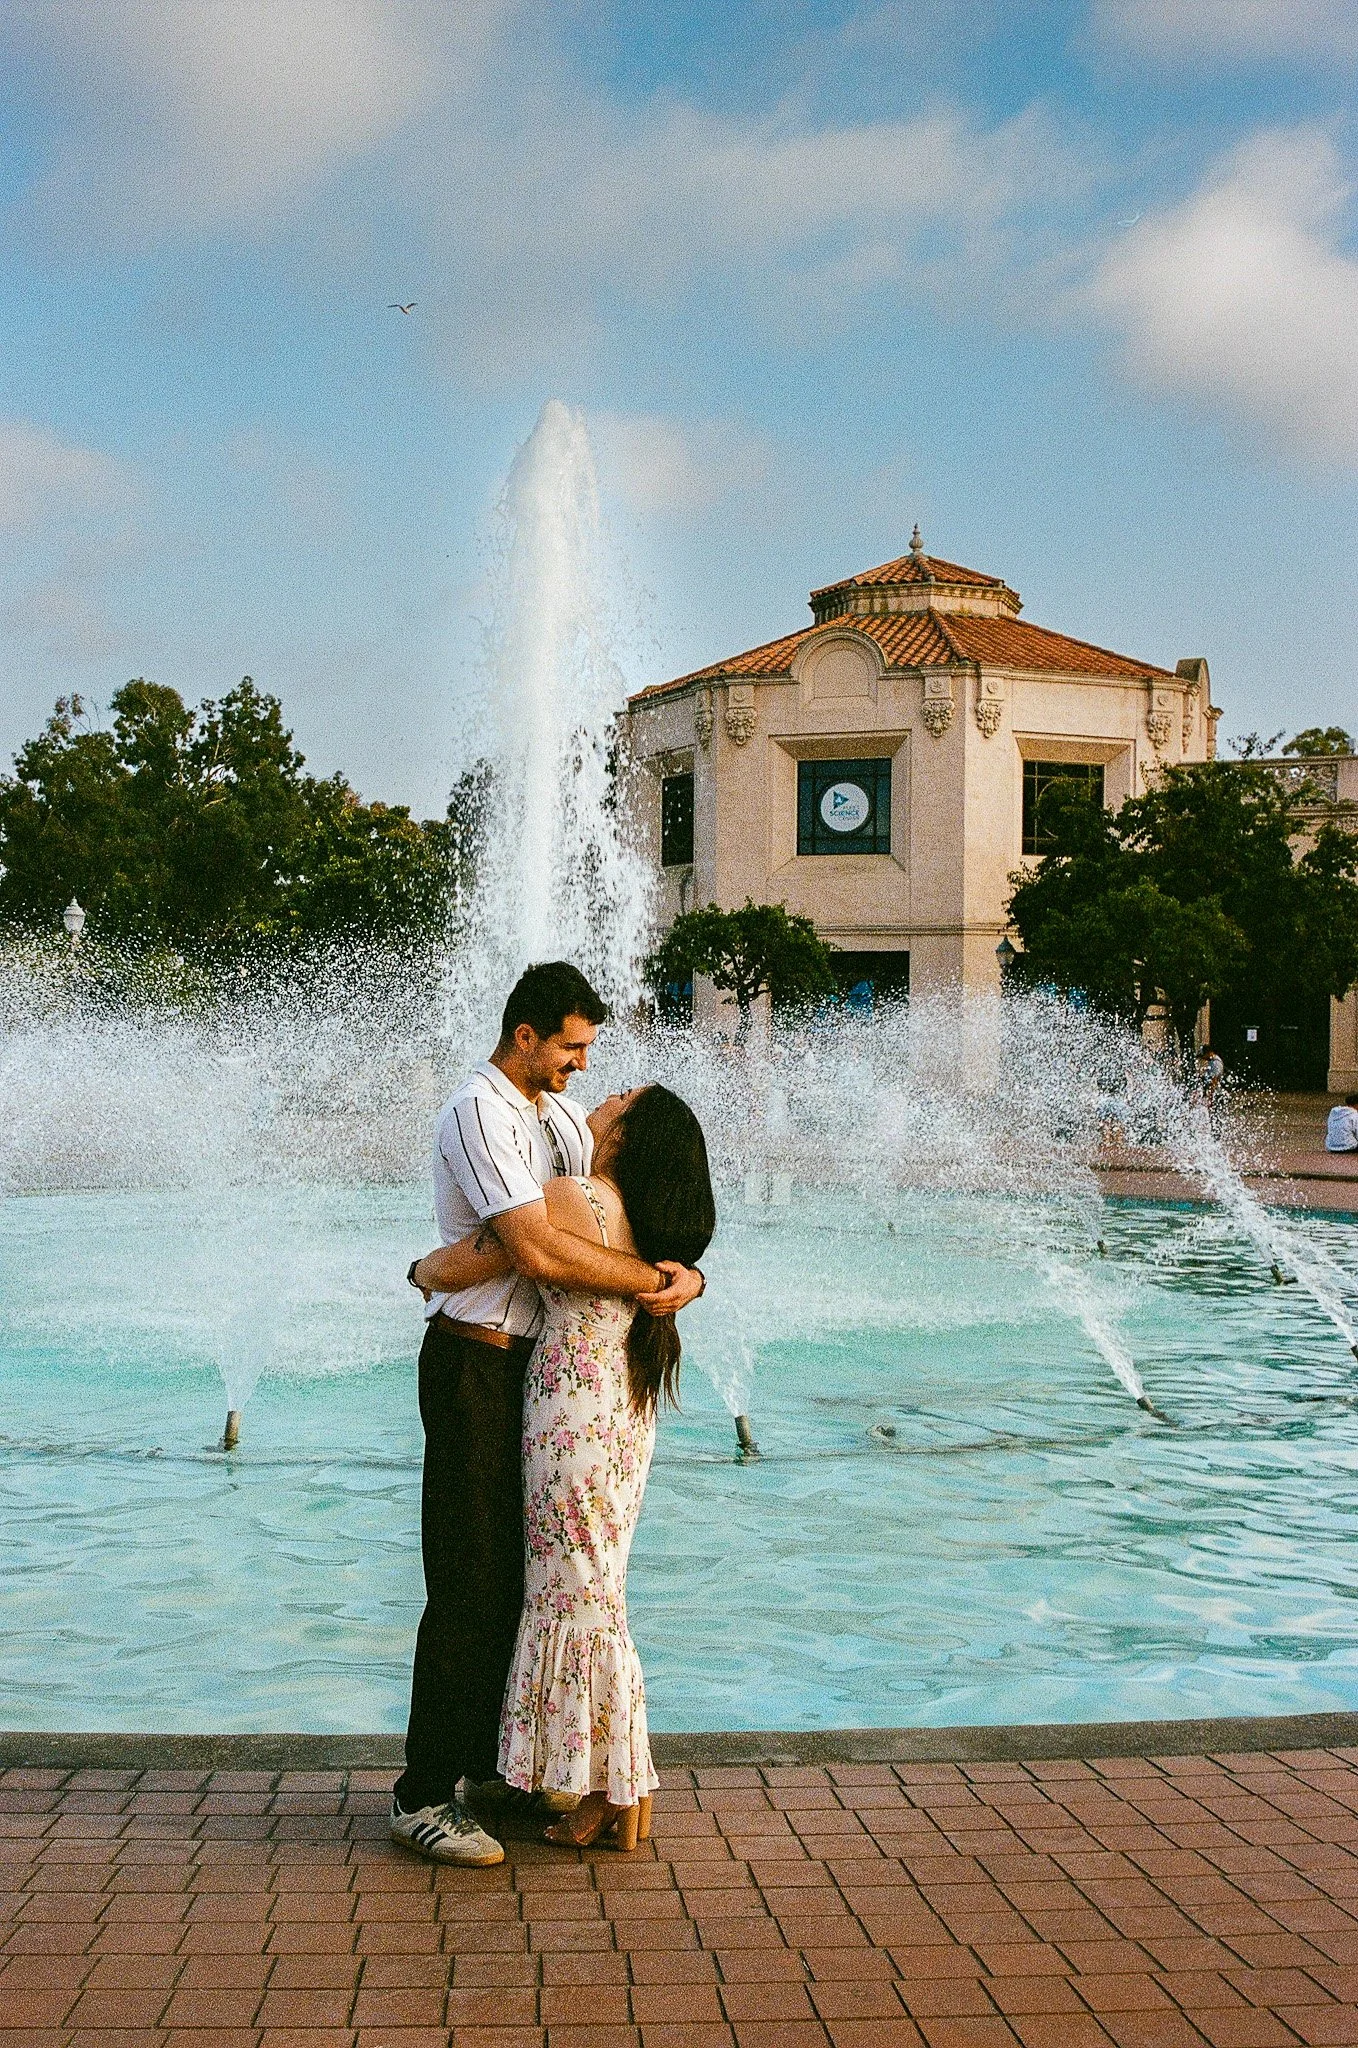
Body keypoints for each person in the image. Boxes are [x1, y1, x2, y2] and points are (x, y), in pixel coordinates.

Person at [390, 962, 705, 1868]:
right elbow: (536, 1247)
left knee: (522, 1583)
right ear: (524, 1035)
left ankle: (494, 1767)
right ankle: (422, 1793)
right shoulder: (480, 1110)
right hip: (476, 1363)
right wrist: (657, 1282)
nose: (582, 1064)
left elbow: (626, 1214)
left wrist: (685, 1272)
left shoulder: (562, 1121)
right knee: (467, 1577)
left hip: (546, 1377)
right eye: (570, 1045)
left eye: (590, 1049)